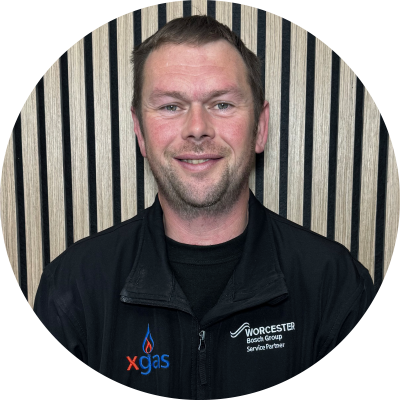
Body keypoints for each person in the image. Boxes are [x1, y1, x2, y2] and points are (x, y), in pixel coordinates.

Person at [34, 15, 375, 398]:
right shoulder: (73, 290)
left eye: (222, 103)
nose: (197, 128)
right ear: (140, 132)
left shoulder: (335, 286)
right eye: (170, 106)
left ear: (260, 128)